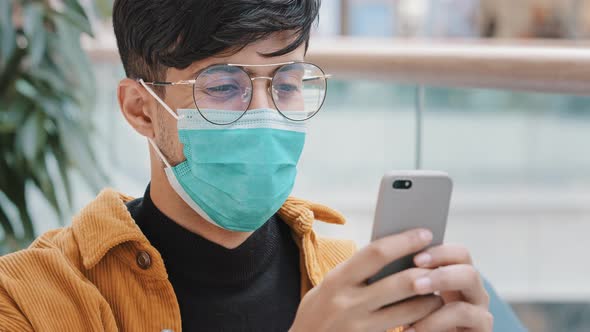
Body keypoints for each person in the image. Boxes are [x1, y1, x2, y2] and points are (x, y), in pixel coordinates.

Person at [0, 1, 493, 331]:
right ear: (140, 109)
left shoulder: (356, 291)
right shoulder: (28, 300)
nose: (265, 113)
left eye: (287, 83)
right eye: (221, 86)